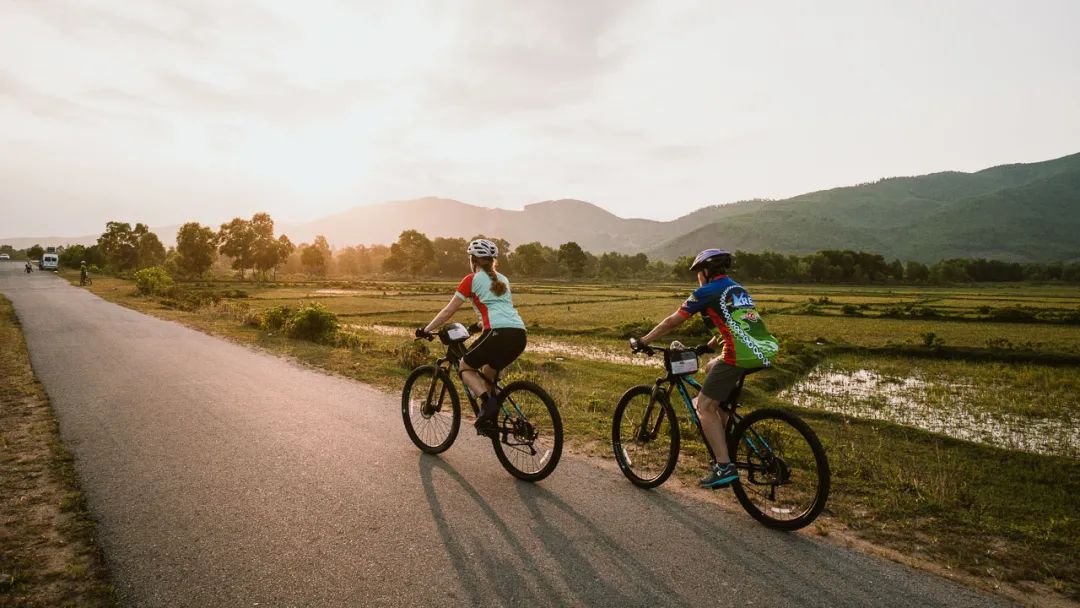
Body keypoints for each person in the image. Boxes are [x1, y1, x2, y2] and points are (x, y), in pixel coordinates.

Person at [630, 248, 779, 489]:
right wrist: (707, 346)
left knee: (703, 406)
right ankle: (726, 435)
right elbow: (734, 323)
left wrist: (644, 340)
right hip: (764, 349)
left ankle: (723, 466)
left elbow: (671, 321)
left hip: (739, 353)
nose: (698, 277)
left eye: (699, 272)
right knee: (712, 368)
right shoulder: (736, 288)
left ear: (706, 271)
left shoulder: (706, 291)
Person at [416, 239, 528, 435]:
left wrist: (426, 329)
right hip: (518, 334)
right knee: (487, 373)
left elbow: (447, 311)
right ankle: (491, 421)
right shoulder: (504, 279)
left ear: (473, 260)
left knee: (465, 366)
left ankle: (488, 404)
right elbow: (499, 309)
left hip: (497, 332)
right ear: (492, 261)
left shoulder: (471, 280)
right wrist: (477, 326)